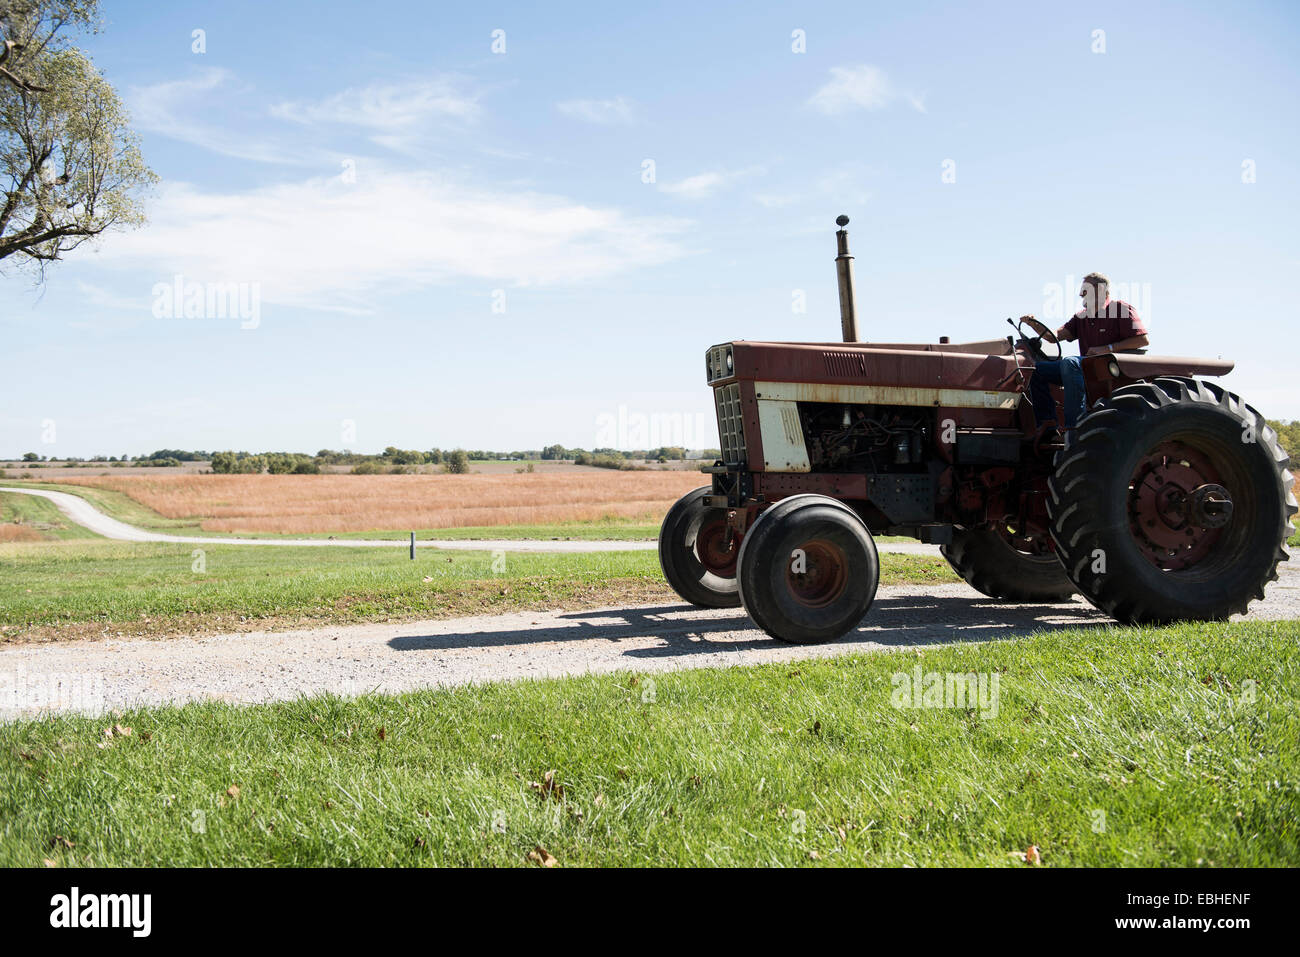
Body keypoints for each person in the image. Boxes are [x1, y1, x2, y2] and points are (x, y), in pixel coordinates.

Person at [1025, 272, 1149, 430]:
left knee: (1070, 363)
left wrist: (1107, 349)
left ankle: (1075, 426)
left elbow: (1142, 340)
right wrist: (1034, 324)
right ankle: (1047, 425)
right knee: (1037, 371)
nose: (1080, 294)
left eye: (1086, 289)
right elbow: (1053, 337)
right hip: (1085, 367)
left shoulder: (1121, 309)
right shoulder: (1081, 317)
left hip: (1111, 368)